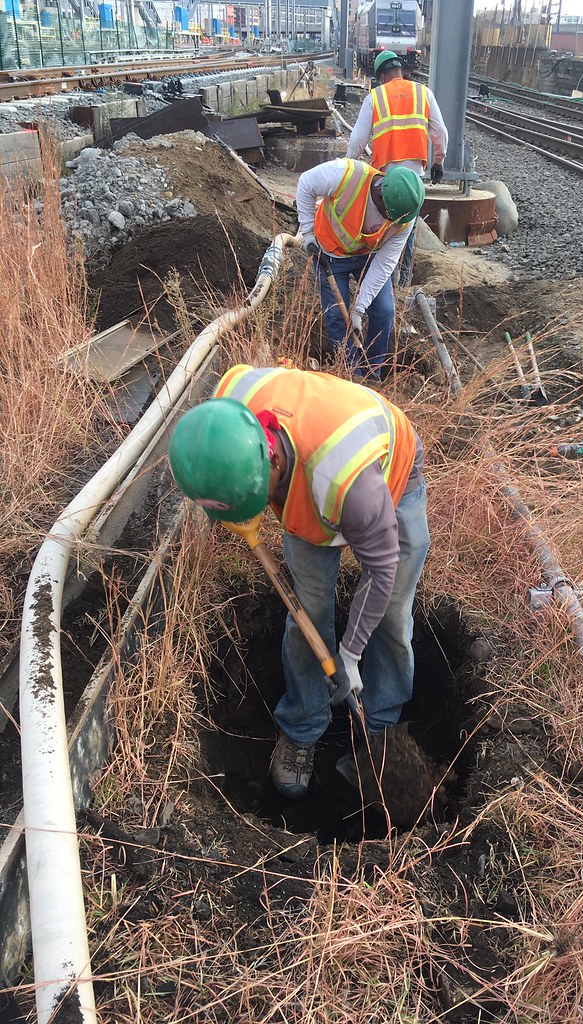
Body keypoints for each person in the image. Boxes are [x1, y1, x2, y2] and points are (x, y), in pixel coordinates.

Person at [167, 364, 430, 800]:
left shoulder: (352, 487)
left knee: (392, 614)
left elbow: (382, 569)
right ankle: (304, 724)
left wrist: (348, 655)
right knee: (307, 611)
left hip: (387, 473)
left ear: (271, 457)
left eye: (260, 495)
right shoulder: (228, 415)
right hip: (312, 491)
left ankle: (381, 732)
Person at [297, 158, 424, 378]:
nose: (392, 222)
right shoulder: (344, 175)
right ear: (380, 195)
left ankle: (373, 373)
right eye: (389, 216)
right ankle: (351, 374)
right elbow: (305, 183)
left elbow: (385, 262)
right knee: (337, 316)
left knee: (384, 311)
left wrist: (358, 309)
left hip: (367, 256)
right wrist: (307, 232)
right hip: (330, 254)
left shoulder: (405, 216)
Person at [347, 49, 449, 286]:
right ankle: (402, 281)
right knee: (407, 229)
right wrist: (438, 162)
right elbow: (440, 132)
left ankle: (377, 281)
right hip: (413, 178)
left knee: (380, 228)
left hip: (385, 178)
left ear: (381, 75)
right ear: (401, 70)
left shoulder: (375, 96)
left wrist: (349, 166)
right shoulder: (424, 93)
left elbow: (357, 141)